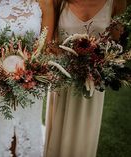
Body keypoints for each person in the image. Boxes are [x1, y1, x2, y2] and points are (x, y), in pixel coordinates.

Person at [44, 0, 127, 157]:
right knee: (57, 137)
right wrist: (68, 63)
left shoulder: (116, 3)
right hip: (63, 82)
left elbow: (116, 46)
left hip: (92, 84)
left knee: (83, 136)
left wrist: (98, 65)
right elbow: (49, 44)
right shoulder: (58, 2)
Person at [0, 0, 53, 156]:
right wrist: (2, 72)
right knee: (5, 127)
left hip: (33, 79)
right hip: (2, 80)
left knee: (30, 126)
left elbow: (47, 45)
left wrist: (31, 71)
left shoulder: (44, 2)